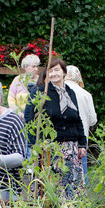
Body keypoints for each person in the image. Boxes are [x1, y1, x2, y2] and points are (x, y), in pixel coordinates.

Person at [24, 58, 87, 198]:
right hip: (49, 148)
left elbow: (77, 118)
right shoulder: (40, 92)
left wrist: (82, 143)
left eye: (57, 70)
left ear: (64, 72)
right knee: (49, 187)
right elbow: (29, 119)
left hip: (70, 149)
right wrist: (34, 144)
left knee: (70, 188)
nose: (53, 74)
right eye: (50, 71)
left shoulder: (70, 92)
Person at [65, 65, 97, 181]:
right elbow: (93, 119)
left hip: (63, 139)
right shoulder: (86, 94)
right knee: (81, 173)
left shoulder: (58, 91)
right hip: (81, 140)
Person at [7, 54, 40, 118]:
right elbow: (11, 99)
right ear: (25, 67)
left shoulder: (40, 80)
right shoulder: (17, 80)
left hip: (36, 118)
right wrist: (19, 113)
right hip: (18, 116)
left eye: (37, 66)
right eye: (33, 67)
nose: (36, 69)